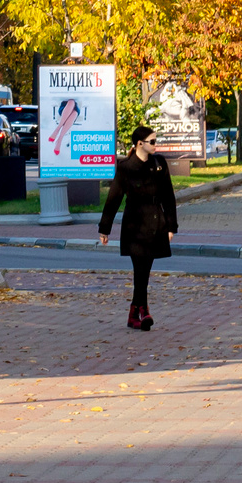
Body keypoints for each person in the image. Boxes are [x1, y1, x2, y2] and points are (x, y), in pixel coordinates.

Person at [99, 126, 178, 330]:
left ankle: (136, 311)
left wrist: (171, 226)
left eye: (155, 141)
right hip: (135, 224)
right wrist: (104, 228)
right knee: (140, 268)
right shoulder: (126, 167)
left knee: (145, 269)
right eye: (152, 142)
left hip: (155, 222)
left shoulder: (159, 163)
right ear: (140, 144)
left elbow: (168, 196)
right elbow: (114, 198)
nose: (155, 145)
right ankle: (142, 311)